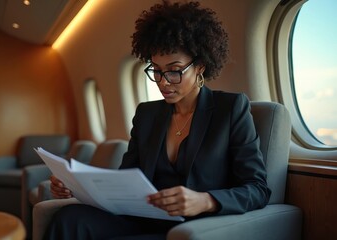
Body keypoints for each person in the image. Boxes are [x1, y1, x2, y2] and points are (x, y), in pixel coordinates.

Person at [45, 1, 271, 239]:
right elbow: (124, 180)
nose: (163, 81)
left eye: (174, 70)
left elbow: (257, 189)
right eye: (156, 70)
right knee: (69, 218)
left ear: (200, 66)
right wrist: (78, 188)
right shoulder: (146, 114)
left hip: (194, 227)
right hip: (144, 219)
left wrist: (205, 200)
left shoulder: (230, 109)